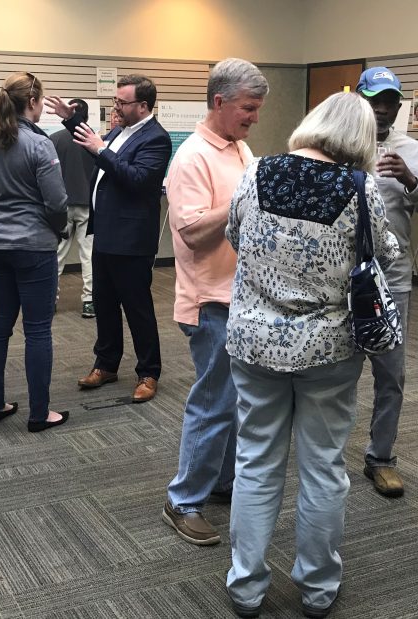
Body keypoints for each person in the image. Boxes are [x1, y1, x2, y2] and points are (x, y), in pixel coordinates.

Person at [225, 92, 401, 619]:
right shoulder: (359, 187)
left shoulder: (257, 173)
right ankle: (319, 589)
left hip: (254, 342)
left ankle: (246, 588)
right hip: (329, 348)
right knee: (323, 467)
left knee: (255, 462)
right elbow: (384, 255)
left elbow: (236, 235)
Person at [162, 58, 268, 546]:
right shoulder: (192, 157)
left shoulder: (239, 147)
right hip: (209, 303)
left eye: (257, 109)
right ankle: (183, 500)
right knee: (213, 403)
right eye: (247, 108)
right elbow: (191, 234)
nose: (253, 117)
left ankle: (221, 483)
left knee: (233, 401)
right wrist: (246, 197)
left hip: (239, 297)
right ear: (220, 102)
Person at [44, 75, 172, 403]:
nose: (116, 107)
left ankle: (148, 372)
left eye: (122, 102)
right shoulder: (118, 132)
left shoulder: (156, 139)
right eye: (115, 101)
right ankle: (106, 364)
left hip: (131, 239)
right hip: (105, 234)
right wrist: (69, 118)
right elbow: (89, 142)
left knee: (137, 308)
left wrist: (103, 151)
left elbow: (139, 180)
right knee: (104, 304)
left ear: (143, 105)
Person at [356, 67, 418, 498]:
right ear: (359, 99)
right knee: (334, 375)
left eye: (389, 100)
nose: (381, 108)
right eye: (374, 99)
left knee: (391, 375)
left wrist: (410, 180)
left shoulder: (412, 150)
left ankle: (381, 457)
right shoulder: (335, 145)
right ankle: (322, 455)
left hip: (391, 282)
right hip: (340, 280)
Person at [0, 72, 69, 432]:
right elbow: (57, 201)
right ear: (32, 103)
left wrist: (3, 219)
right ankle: (39, 413)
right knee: (38, 330)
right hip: (33, 246)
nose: (43, 106)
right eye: (42, 101)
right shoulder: (40, 145)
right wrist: (54, 229)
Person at [52, 98, 96, 319]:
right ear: (86, 117)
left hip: (61, 206)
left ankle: (51, 300)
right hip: (88, 206)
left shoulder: (54, 140)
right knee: (88, 255)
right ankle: (89, 302)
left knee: (57, 255)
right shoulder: (95, 141)